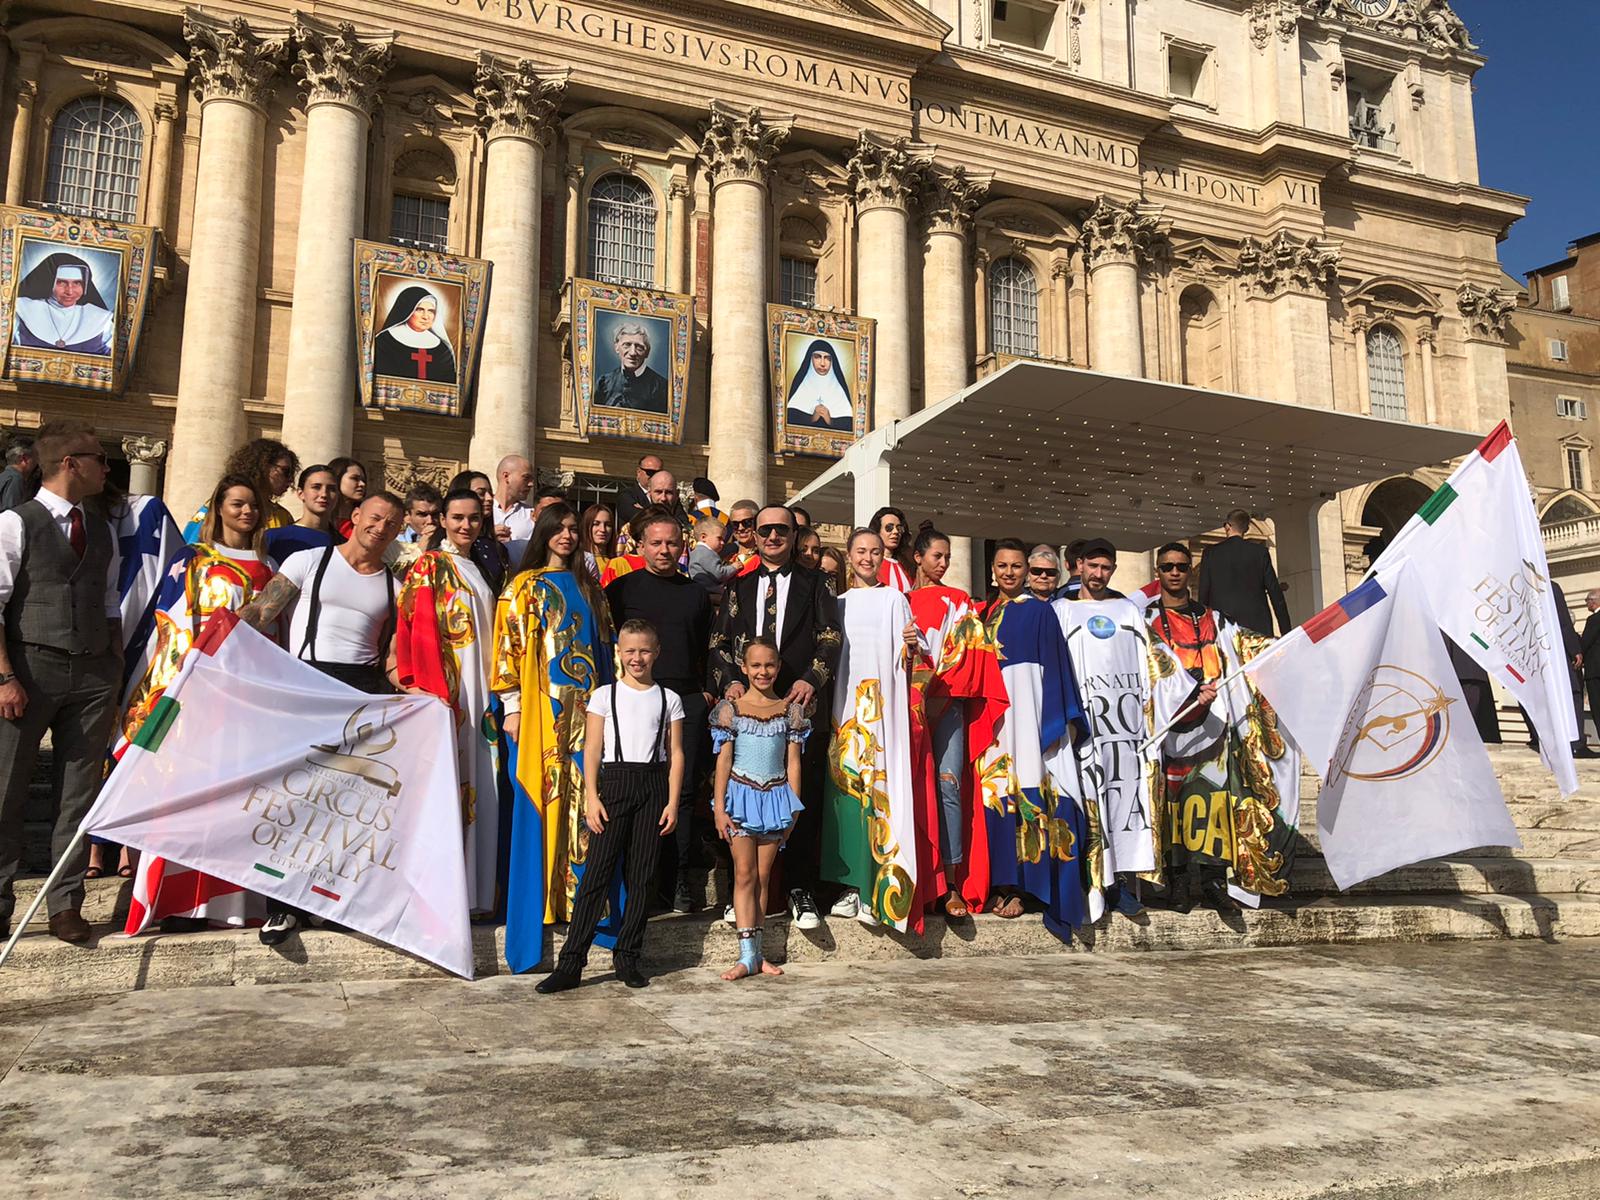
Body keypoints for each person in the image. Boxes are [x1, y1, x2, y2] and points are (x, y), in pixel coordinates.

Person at [238, 491, 406, 946]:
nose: (381, 528)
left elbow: (390, 655)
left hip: (361, 691)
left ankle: (329, 901)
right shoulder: (310, 561)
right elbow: (261, 612)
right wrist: (217, 638)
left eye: (391, 523)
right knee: (294, 799)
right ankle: (280, 906)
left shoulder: (395, 584)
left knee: (346, 804)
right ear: (354, 517)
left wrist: (414, 694)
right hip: (308, 681)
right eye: (374, 518)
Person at [121, 474, 277, 934]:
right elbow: (170, 624)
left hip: (247, 699)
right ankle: (177, 903)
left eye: (253, 505)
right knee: (184, 795)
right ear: (218, 509)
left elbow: (274, 639)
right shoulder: (192, 560)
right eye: (236, 504)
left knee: (236, 800)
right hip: (196, 694)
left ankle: (231, 903)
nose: (246, 512)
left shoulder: (269, 570)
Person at [0, 420, 121, 944]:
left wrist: (114, 672)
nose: (106, 467)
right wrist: (4, 676)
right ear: (70, 462)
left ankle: (65, 901)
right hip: (30, 666)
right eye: (98, 457)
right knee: (6, 790)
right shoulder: (14, 523)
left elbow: (111, 604)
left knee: (80, 793)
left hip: (94, 671)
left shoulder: (103, 529)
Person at [491, 502, 615, 973]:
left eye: (572, 529)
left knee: (587, 804)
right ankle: (538, 913)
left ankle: (586, 910)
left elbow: (606, 653)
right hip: (542, 713)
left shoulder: (590, 587)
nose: (566, 536)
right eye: (558, 529)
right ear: (543, 532)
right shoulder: (523, 587)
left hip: (588, 716)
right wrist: (513, 708)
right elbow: (509, 649)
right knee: (543, 802)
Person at [1145, 542, 1301, 912]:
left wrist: (1293, 644)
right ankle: (1178, 882)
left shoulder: (1216, 619)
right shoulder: (1142, 620)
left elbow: (1250, 647)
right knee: (1172, 810)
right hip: (1166, 731)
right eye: (1167, 566)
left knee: (1214, 804)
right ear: (1158, 570)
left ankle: (1214, 881)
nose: (1175, 573)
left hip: (1212, 729)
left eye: (1182, 566)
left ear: (1190, 570)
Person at [707, 504, 841, 930]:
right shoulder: (738, 585)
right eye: (763, 529)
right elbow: (718, 643)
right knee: (739, 797)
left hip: (800, 708)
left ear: (794, 534)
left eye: (781, 529)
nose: (771, 536)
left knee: (800, 798)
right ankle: (737, 893)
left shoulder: (818, 583)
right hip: (748, 711)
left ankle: (800, 889)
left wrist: (810, 680)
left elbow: (830, 638)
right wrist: (730, 682)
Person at [536, 619, 684, 992]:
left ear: (657, 652)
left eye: (645, 650)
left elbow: (677, 753)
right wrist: (591, 795)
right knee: (596, 876)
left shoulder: (670, 699)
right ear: (619, 652)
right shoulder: (605, 695)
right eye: (630, 651)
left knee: (643, 876)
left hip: (653, 784)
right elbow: (592, 749)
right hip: (613, 784)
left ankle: (628, 957)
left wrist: (672, 802)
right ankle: (571, 964)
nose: (637, 658)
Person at [970, 538, 1089, 934]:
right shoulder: (980, 614)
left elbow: (1056, 668)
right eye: (1002, 566)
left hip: (1029, 713)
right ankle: (1001, 882)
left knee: (1031, 788)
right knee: (995, 792)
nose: (1009, 572)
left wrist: (1052, 721)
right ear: (992, 570)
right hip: (993, 719)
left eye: (1017, 566)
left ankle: (1028, 888)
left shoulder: (1041, 612)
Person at [393, 488, 502, 918]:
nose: (465, 526)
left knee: (483, 786)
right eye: (457, 517)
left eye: (473, 518)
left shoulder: (478, 566)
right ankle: (443, 894)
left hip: (482, 691)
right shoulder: (430, 566)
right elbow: (415, 630)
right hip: (450, 690)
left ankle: (476, 894)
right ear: (442, 519)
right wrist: (433, 692)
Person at [605, 510, 712, 914]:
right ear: (641, 545)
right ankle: (642, 884)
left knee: (681, 793)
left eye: (671, 543)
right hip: (636, 698)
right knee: (639, 790)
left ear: (682, 545)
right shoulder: (620, 590)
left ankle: (680, 880)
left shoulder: (696, 593)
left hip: (685, 701)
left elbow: (705, 646)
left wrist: (704, 693)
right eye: (656, 543)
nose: (664, 550)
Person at [1054, 537, 1161, 920]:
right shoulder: (1061, 611)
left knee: (1124, 804)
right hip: (1082, 727)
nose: (1099, 575)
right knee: (1086, 803)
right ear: (1078, 565)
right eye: (1093, 567)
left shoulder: (1127, 610)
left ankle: (1119, 886)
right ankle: (1088, 883)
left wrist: (1191, 691)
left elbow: (1152, 662)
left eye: (1106, 568)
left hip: (1125, 728)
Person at [820, 529, 920, 926]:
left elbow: (910, 656)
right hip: (844, 710)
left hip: (881, 713)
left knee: (879, 789)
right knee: (845, 790)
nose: (867, 558)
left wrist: (912, 645)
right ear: (849, 555)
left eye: (875, 552)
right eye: (860, 551)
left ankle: (875, 888)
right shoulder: (837, 604)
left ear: (884, 557)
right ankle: (849, 886)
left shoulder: (895, 599)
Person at [907, 526, 1007, 922]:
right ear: (918, 557)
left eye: (947, 557)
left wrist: (938, 695)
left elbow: (968, 651)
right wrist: (918, 693)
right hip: (910, 705)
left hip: (948, 703)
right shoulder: (900, 601)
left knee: (949, 785)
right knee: (912, 787)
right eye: (937, 556)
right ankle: (916, 878)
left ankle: (949, 883)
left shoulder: (960, 601)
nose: (944, 564)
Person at [711, 637, 806, 980]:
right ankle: (745, 954)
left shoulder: (790, 712)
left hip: (775, 798)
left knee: (765, 876)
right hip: (740, 797)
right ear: (744, 668)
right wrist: (719, 808)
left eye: (769, 665)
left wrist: (793, 808)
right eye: (756, 665)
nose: (763, 671)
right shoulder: (730, 710)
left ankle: (758, 953)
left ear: (778, 668)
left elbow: (793, 763)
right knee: (744, 873)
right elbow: (723, 761)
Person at [183, 439, 299, 542]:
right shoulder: (217, 507)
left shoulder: (283, 516)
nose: (290, 480)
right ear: (263, 467)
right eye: (285, 471)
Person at [1197, 509, 1290, 636]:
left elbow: (1203, 593)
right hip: (1257, 625)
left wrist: (1202, 630)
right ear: (1246, 529)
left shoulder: (1210, 553)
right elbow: (1275, 593)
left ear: (1227, 526)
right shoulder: (1260, 553)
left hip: (1223, 626)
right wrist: (1286, 631)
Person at [13, 254, 114, 356]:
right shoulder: (22, 310)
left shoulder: (101, 319)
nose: (70, 291)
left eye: (77, 283)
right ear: (48, 282)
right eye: (61, 282)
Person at [372, 285, 457, 384]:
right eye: (419, 310)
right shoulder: (384, 341)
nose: (426, 317)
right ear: (407, 311)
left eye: (431, 311)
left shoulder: (442, 348)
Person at [448, 469, 509, 595]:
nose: (489, 498)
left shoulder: (497, 548)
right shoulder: (444, 548)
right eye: (481, 493)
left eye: (490, 493)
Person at [266, 464, 341, 561]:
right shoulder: (274, 538)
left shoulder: (344, 544)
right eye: (316, 487)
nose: (324, 494)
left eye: (332, 489)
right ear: (301, 493)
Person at [593, 320, 669, 413]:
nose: (632, 353)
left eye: (639, 347)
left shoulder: (662, 387)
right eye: (627, 345)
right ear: (616, 347)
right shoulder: (603, 383)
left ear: (647, 352)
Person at [785, 339, 853, 431]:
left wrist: (830, 421)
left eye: (827, 358)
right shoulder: (801, 386)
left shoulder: (839, 390)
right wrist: (812, 419)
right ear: (810, 358)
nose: (822, 363)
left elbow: (850, 427)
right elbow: (789, 421)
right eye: (817, 357)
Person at [493, 454, 535, 560]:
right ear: (506, 476)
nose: (531, 484)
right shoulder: (481, 511)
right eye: (526, 478)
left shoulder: (533, 515)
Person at [688, 516, 737, 597]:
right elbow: (719, 574)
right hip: (710, 593)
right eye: (719, 538)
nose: (722, 543)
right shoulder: (706, 553)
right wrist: (734, 567)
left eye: (723, 540)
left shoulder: (696, 552)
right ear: (703, 537)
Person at [616, 453, 663, 534]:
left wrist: (644, 510)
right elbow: (636, 518)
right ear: (638, 472)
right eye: (650, 472)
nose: (654, 476)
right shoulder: (626, 494)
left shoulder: (669, 496)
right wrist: (665, 517)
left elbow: (683, 521)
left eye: (658, 473)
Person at [869, 506, 913, 591]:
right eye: (889, 528)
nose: (895, 532)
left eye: (899, 528)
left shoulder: (908, 565)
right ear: (877, 531)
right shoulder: (869, 564)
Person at [326, 456, 367, 538]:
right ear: (337, 478)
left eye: (364, 480)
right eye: (355, 478)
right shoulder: (321, 519)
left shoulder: (366, 520)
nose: (362, 484)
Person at [578, 502, 618, 584]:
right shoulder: (580, 561)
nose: (602, 529)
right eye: (596, 524)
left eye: (608, 525)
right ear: (586, 526)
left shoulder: (618, 563)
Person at [1581, 589, 1600, 754]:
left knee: (1598, 708)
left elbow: (1585, 642)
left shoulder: (1594, 619)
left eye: (1587, 600)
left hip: (1596, 672)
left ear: (1594, 602)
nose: (1586, 604)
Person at [0, 436, 38, 513]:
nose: (38, 460)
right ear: (24, 459)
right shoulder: (15, 479)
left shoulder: (4, 477)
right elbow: (12, 515)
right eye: (36, 455)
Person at [725, 499, 761, 574]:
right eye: (735, 524)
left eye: (746, 522)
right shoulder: (726, 556)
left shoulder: (763, 559)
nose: (740, 528)